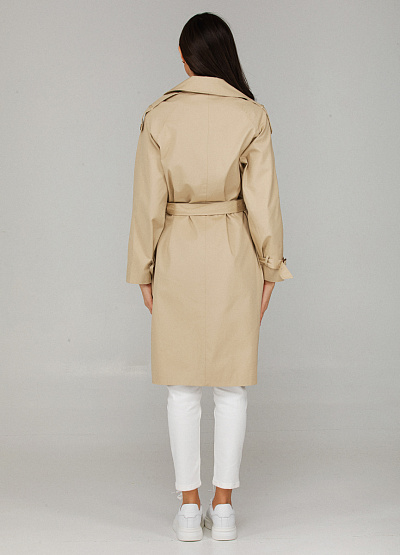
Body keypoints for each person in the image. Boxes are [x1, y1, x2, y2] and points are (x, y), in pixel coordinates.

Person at [126, 12, 293, 542]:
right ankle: (223, 510)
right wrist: (271, 267)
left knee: (181, 389)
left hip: (176, 252)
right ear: (225, 55)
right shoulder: (251, 115)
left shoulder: (159, 116)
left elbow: (147, 205)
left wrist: (143, 270)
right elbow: (263, 202)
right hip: (233, 254)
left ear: (184, 58)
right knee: (231, 385)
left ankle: (187, 509)